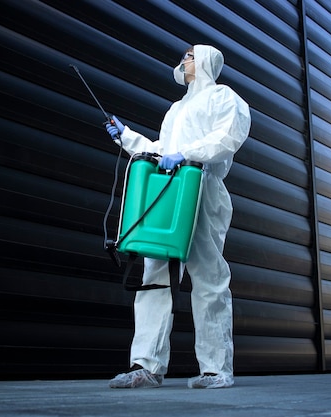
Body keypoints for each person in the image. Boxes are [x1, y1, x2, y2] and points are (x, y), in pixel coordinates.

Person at [105, 44, 251, 389]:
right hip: (172, 193)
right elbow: (162, 151)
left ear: (203, 61)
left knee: (208, 276)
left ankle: (216, 368)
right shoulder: (176, 108)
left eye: (188, 56)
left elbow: (227, 138)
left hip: (202, 189)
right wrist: (126, 137)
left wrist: (187, 153)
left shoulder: (223, 97)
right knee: (155, 274)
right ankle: (146, 365)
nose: (182, 61)